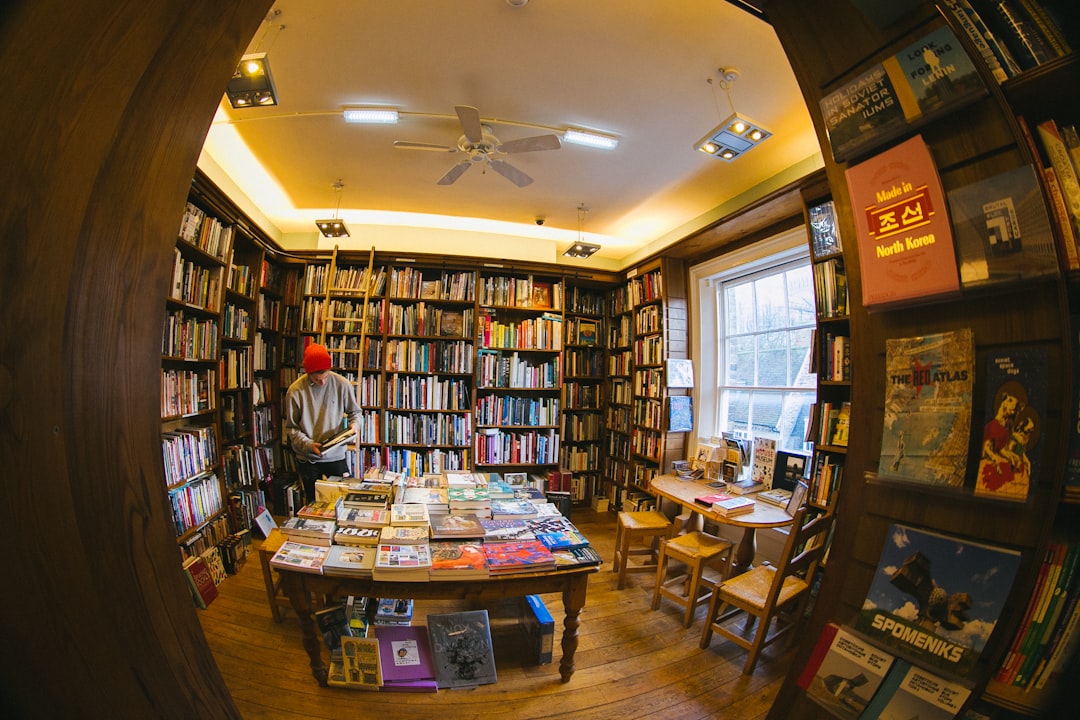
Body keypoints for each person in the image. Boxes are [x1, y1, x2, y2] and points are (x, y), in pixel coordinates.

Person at [285, 343, 362, 502]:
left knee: (345, 499)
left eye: (326, 377)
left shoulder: (342, 384)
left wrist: (355, 425)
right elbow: (292, 429)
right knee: (313, 503)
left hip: (336, 455)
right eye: (317, 379)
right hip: (308, 457)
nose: (323, 383)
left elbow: (356, 412)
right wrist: (308, 445)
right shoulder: (295, 391)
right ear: (308, 373)